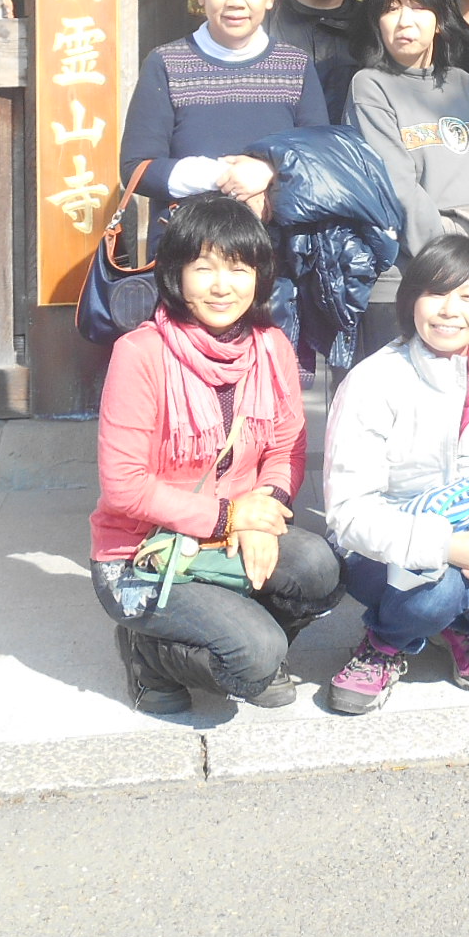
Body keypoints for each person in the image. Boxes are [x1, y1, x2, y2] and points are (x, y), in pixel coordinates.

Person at [88, 193, 344, 714]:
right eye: (204, 268)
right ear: (176, 275)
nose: (222, 286)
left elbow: (285, 447)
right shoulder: (140, 354)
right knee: (254, 660)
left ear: (259, 275)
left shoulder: (271, 345)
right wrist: (229, 516)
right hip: (143, 554)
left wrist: (259, 514)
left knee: (320, 568)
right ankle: (147, 654)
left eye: (238, 268)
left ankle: (230, 623)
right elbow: (125, 486)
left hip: (229, 532)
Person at [321, 237, 469, 713]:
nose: (451, 311)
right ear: (411, 300)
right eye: (436, 293)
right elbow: (348, 511)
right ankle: (384, 643)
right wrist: (443, 546)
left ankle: (467, 631)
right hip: (386, 547)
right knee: (437, 590)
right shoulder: (373, 380)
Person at [121, 0, 327, 206]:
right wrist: (223, 175)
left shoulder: (296, 67)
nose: (235, 0)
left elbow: (321, 158)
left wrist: (269, 171)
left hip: (275, 244)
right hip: (189, 244)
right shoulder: (166, 63)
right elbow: (137, 168)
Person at [346, 0, 469, 255]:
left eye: (417, 7)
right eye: (391, 9)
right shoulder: (369, 85)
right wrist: (450, 254)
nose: (405, 21)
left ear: (439, 20)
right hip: (413, 269)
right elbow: (398, 188)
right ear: (376, 23)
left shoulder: (462, 83)